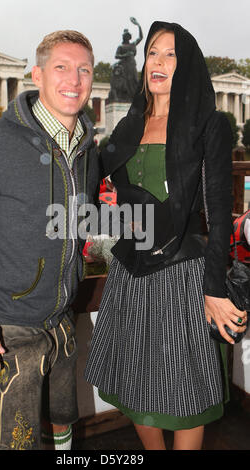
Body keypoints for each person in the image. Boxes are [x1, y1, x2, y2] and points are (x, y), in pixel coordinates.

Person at [85, 21, 248, 450]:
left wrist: (215, 289)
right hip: (129, 271)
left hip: (182, 272)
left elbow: (214, 214)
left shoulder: (208, 125)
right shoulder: (128, 125)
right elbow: (89, 184)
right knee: (136, 382)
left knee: (187, 388)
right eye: (152, 52)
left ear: (187, 65)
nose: (157, 60)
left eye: (170, 54)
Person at [0, 30, 100, 450]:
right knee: (14, 442)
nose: (74, 78)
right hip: (5, 329)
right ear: (36, 74)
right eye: (62, 67)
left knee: (62, 425)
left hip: (61, 323)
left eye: (84, 69)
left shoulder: (87, 148)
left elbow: (81, 225)